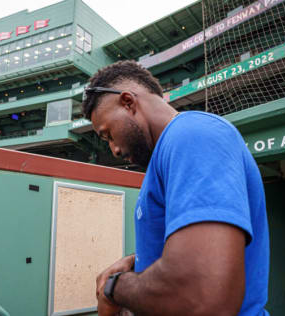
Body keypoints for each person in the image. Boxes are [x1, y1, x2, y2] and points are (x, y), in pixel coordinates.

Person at [81, 60, 269, 316]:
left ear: (128, 102)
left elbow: (202, 294)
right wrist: (140, 263)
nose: (113, 149)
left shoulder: (193, 134)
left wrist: (114, 287)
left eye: (108, 134)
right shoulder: (165, 156)